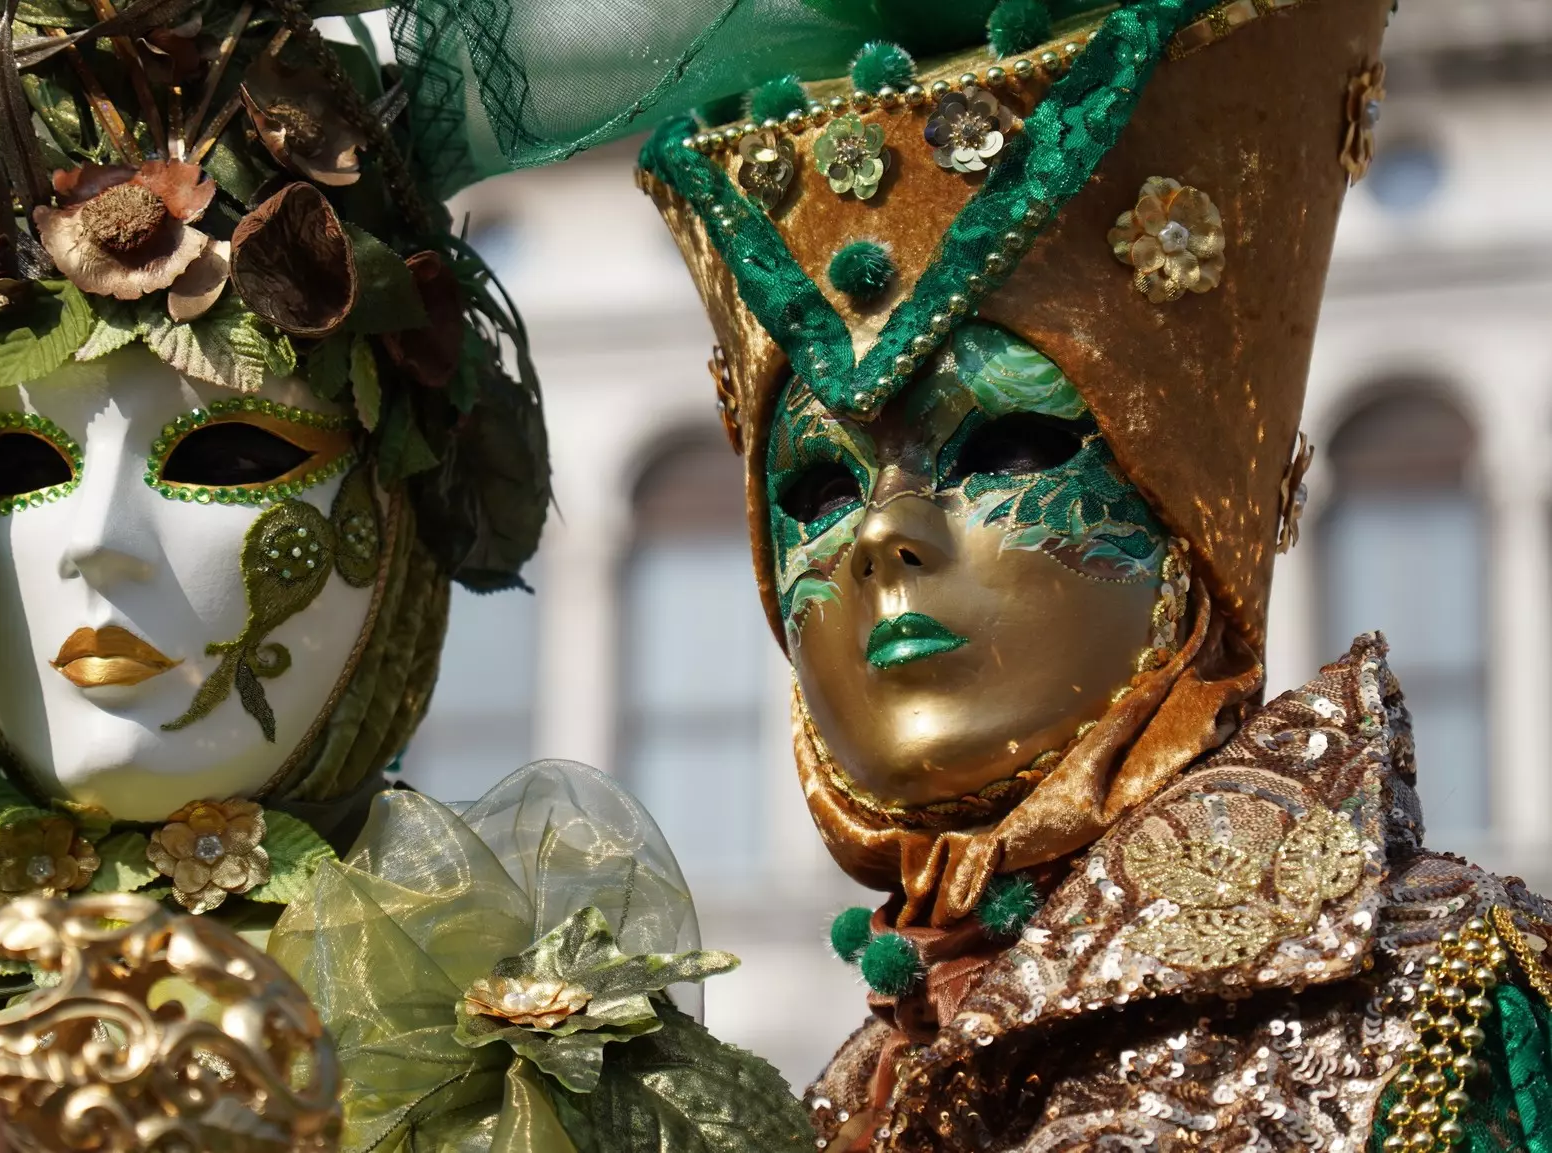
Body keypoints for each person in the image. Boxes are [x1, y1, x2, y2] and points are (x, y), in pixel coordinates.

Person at [0, 0, 812, 1148]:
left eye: (229, 453)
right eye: (18, 466)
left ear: (404, 517)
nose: (94, 539)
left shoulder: (577, 1100)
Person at [616, 0, 1552, 1147]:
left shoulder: (1439, 1008)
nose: (878, 537)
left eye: (1004, 450)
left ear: (1180, 519)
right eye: (815, 493)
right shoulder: (850, 1096)